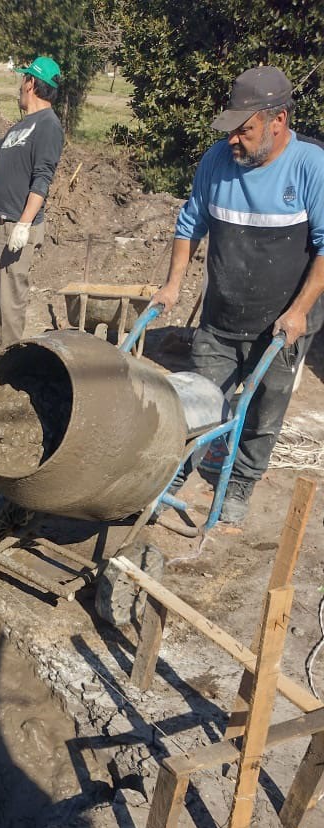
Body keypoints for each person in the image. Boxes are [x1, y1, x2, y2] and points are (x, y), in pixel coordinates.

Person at [151, 66, 324, 525]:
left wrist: (300, 311)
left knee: (264, 411)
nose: (233, 140)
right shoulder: (216, 161)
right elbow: (190, 223)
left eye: (244, 130)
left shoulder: (311, 167)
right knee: (200, 400)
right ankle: (174, 473)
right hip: (222, 315)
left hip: (283, 322)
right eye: (230, 130)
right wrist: (172, 285)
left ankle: (242, 482)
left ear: (278, 121)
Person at [0, 56, 64, 360]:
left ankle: (8, 363)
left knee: (9, 300)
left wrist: (24, 224)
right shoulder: (21, 126)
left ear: (31, 83)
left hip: (15, 225)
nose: (20, 85)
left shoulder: (49, 126)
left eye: (23, 79)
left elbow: (42, 179)